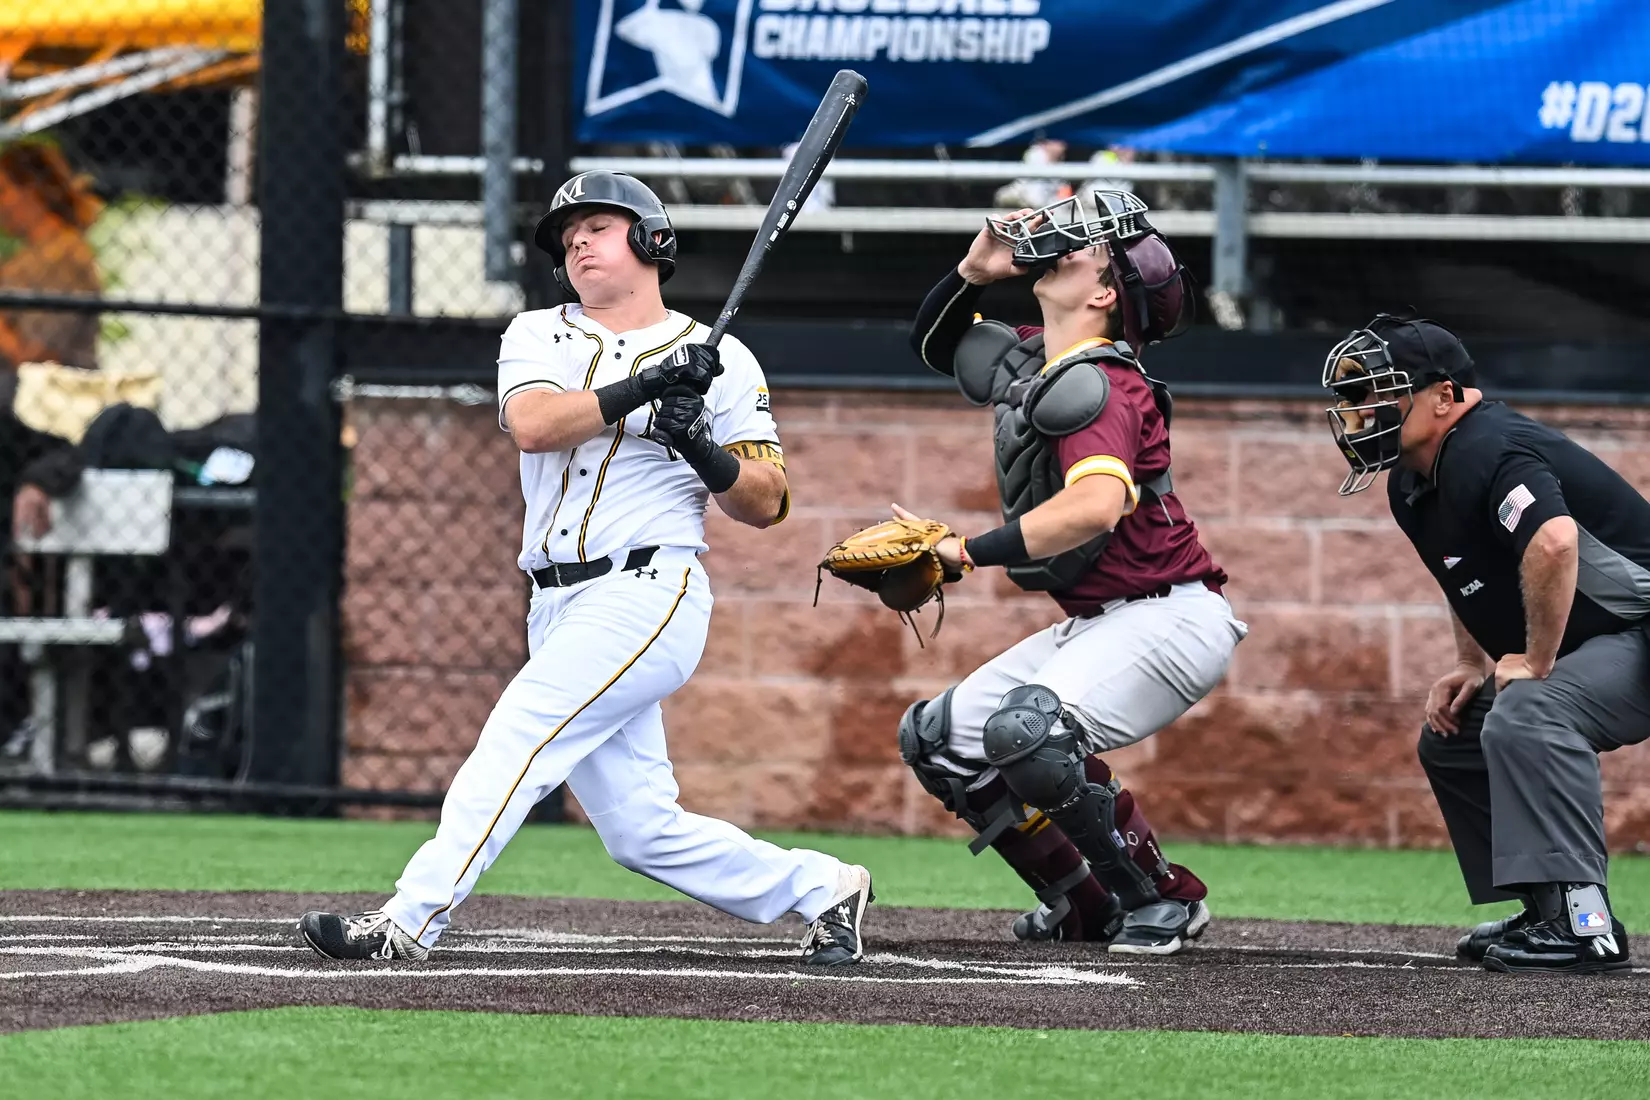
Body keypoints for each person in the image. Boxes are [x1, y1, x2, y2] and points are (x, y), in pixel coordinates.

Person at [299, 171, 872, 966]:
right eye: (567, 236)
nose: (576, 242)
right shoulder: (538, 333)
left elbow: (767, 503)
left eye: (597, 226)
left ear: (651, 240)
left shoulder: (724, 359)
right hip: (556, 601)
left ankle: (411, 920)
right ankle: (823, 887)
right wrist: (645, 388)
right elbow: (534, 425)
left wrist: (701, 448)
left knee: (520, 733)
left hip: (649, 589)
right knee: (641, 830)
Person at [897, 190, 1247, 953]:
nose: (1070, 242)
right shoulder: (1038, 356)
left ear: (1103, 293)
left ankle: (1160, 896)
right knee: (939, 738)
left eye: (1091, 248)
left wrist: (963, 552)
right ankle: (1081, 902)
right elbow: (933, 341)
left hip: (1171, 616)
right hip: (1105, 617)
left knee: (1030, 730)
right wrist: (973, 268)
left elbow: (1093, 508)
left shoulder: (1104, 384)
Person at [1322, 314, 1650, 974]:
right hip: (1611, 642)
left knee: (1533, 707)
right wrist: (1472, 663)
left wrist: (1534, 662)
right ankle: (1547, 909)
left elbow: (1553, 542)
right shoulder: (1411, 482)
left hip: (1639, 630)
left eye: (1376, 392)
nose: (1359, 412)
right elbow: (1464, 574)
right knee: (1456, 732)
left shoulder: (1487, 446)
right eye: (1351, 398)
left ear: (1444, 396)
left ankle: (1587, 925)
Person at [0, 141, 103, 372]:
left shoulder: (63, 257)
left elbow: (36, 358)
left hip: (42, 401)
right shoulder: (33, 255)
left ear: (32, 189)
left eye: (3, 191)